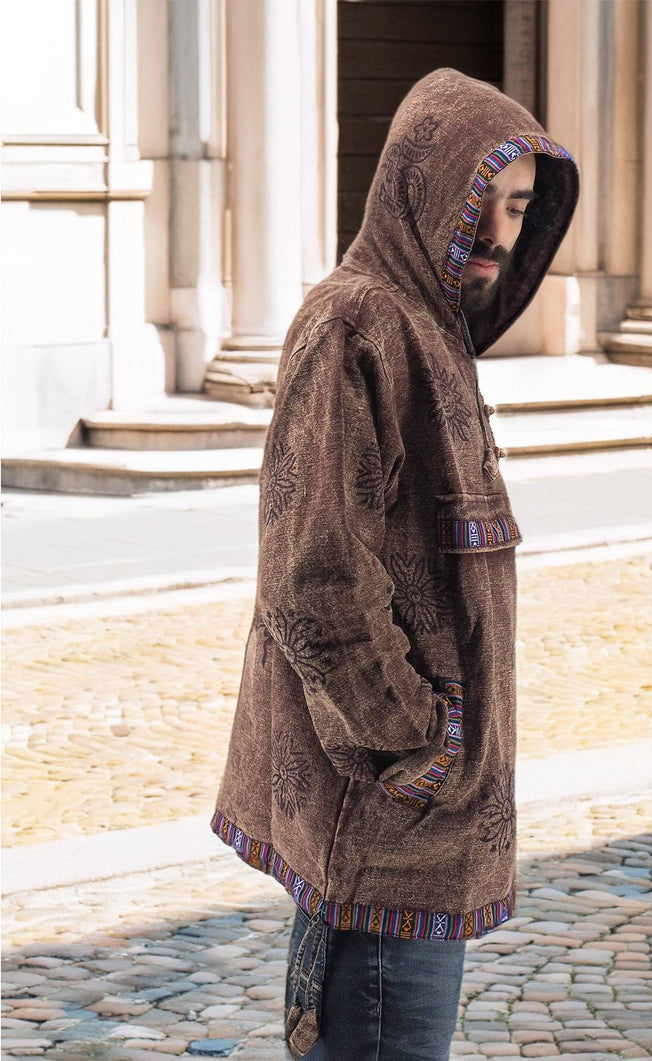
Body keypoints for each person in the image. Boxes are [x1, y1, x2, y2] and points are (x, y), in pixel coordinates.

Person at [210, 67, 579, 1059]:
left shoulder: (432, 336)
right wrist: (419, 742)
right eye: (479, 203)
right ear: (419, 187)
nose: (498, 235)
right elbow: (312, 572)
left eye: (514, 207)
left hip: (424, 830)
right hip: (385, 824)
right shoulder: (354, 324)